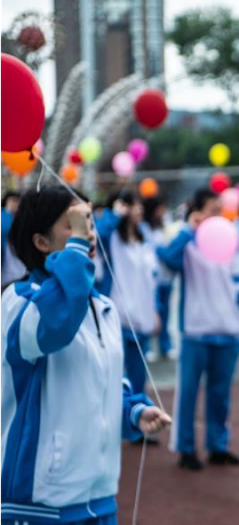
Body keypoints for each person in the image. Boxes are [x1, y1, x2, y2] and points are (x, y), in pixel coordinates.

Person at [1, 186, 170, 524]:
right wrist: (77, 248)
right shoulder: (19, 301)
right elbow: (57, 325)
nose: (88, 234)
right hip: (41, 504)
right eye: (74, 224)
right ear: (41, 242)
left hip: (100, 497)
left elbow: (102, 382)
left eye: (89, 223)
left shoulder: (103, 307)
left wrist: (133, 411)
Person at [157, 188, 239, 470]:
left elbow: (237, 280)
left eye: (219, 208)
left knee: (220, 395)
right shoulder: (187, 241)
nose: (218, 214)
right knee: (188, 393)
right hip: (196, 331)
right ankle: (186, 448)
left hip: (228, 329)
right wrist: (190, 230)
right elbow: (167, 259)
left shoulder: (230, 238)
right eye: (212, 208)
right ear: (198, 210)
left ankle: (218, 445)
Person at [97, 193, 159, 397]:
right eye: (133, 205)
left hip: (141, 315)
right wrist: (114, 214)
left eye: (139, 205)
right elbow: (99, 233)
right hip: (119, 317)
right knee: (117, 377)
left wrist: (155, 310)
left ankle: (137, 421)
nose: (139, 210)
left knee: (138, 377)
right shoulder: (112, 238)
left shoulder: (143, 239)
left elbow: (151, 279)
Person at [142, 195, 177, 361]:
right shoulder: (143, 228)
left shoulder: (164, 227)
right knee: (151, 311)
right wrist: (164, 252)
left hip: (166, 278)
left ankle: (166, 345)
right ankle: (147, 346)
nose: (162, 212)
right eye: (160, 209)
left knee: (165, 313)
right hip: (151, 279)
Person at [1, 191, 27, 288]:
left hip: (19, 269)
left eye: (18, 201)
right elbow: (4, 230)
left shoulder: (22, 217)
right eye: (13, 200)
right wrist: (7, 211)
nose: (16, 204)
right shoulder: (3, 215)